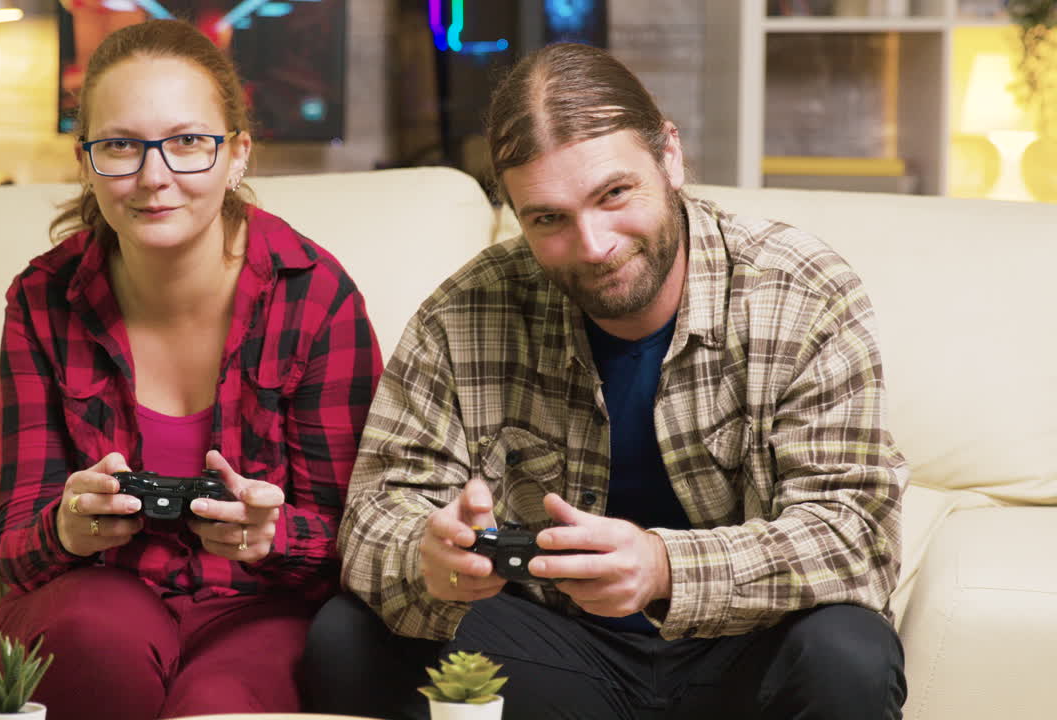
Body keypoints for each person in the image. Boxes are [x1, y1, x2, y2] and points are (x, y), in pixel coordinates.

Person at [305, 43, 906, 719]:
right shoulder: (463, 313)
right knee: (345, 639)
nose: (593, 245)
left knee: (848, 651)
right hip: (561, 656)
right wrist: (431, 558)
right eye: (548, 219)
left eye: (614, 194)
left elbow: (856, 534)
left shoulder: (801, 290)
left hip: (745, 652)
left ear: (670, 156)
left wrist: (661, 567)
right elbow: (373, 522)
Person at [0, 19, 383, 720]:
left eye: (189, 142)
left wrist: (271, 535)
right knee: (97, 641)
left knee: (216, 702)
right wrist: (67, 529)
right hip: (97, 599)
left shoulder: (314, 296)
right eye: (120, 146)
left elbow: (366, 541)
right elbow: (17, 547)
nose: (153, 176)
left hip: (260, 608)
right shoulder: (43, 298)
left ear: (238, 156)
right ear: (86, 160)